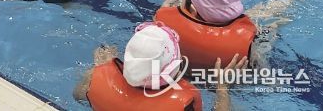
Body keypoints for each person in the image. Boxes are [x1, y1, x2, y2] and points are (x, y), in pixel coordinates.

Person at [156, 0, 319, 71]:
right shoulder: (247, 45)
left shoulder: (162, 23)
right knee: (272, 20)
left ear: (193, 8)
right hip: (252, 50)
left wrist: (167, 6)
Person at [73, 21, 245, 111]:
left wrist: (99, 69)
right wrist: (222, 88)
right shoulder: (184, 103)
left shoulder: (96, 76)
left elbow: (78, 96)